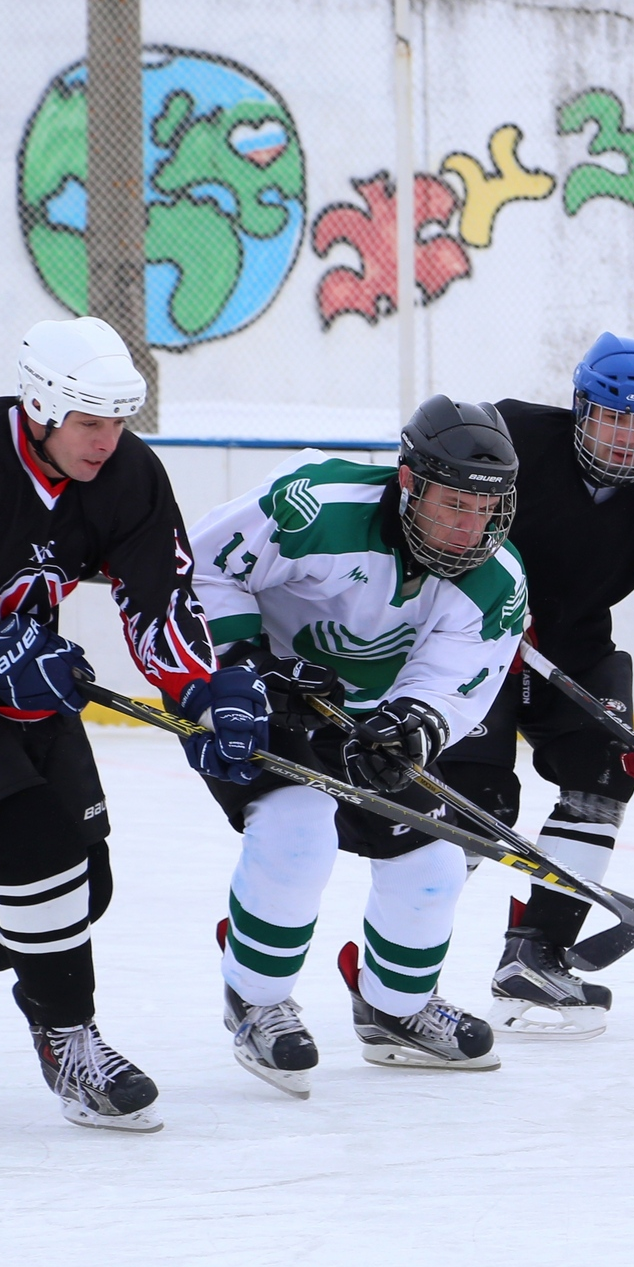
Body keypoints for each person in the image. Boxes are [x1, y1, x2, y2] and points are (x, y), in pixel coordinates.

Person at [0, 316, 265, 1132]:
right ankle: (70, 1046)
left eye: (118, 421)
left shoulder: (128, 477)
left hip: (26, 677)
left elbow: (159, 599)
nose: (107, 440)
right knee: (40, 848)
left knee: (86, 885)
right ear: (40, 407)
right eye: (89, 422)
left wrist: (198, 691)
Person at [190, 395, 528, 1096]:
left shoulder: (498, 582)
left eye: (485, 509)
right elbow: (204, 565)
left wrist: (413, 725)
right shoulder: (314, 503)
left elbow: (459, 678)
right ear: (409, 481)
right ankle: (255, 999)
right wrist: (246, 660)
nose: (472, 528)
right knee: (297, 829)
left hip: (361, 712)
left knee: (433, 856)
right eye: (454, 505)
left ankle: (394, 1009)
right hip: (250, 692)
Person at [434, 333, 634, 1039]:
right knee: (477, 800)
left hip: (571, 641)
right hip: (467, 629)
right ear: (579, 409)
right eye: (612, 417)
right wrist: (487, 598)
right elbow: (431, 508)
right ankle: (401, 961)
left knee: (604, 770)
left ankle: (536, 954)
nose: (628, 438)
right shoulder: (508, 438)